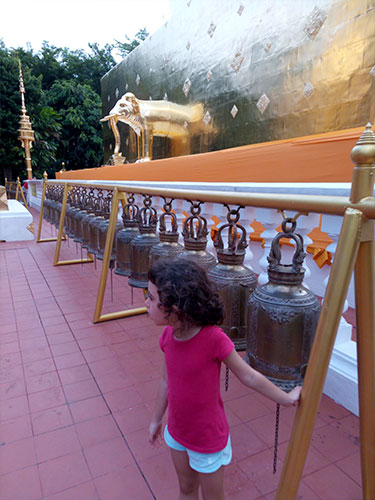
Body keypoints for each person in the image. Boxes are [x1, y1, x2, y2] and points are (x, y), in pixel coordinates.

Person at [147, 259, 301, 500]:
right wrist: (156, 419)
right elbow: (166, 382)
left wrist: (286, 397)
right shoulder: (168, 336)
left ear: (174, 307)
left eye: (152, 299)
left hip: (208, 439)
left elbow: (248, 376)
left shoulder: (213, 339)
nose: (146, 303)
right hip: (177, 432)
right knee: (186, 490)